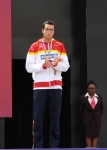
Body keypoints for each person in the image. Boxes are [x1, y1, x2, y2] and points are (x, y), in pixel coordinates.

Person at [25, 20, 70, 148]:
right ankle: (38, 146)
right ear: (42, 30)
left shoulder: (60, 46)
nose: (49, 31)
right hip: (40, 87)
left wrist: (57, 64)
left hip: (56, 86)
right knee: (38, 119)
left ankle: (53, 146)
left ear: (54, 31)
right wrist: (43, 66)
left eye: (51, 29)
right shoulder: (35, 46)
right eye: (47, 29)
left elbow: (66, 66)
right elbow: (28, 67)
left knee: (54, 119)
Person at [80, 80, 104, 148]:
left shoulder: (99, 97)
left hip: (97, 119)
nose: (91, 90)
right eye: (89, 88)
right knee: (88, 135)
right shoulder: (83, 97)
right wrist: (85, 117)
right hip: (87, 120)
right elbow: (81, 110)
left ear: (95, 89)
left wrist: (98, 116)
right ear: (87, 89)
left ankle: (94, 149)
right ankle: (89, 149)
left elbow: (101, 108)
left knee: (95, 135)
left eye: (93, 88)